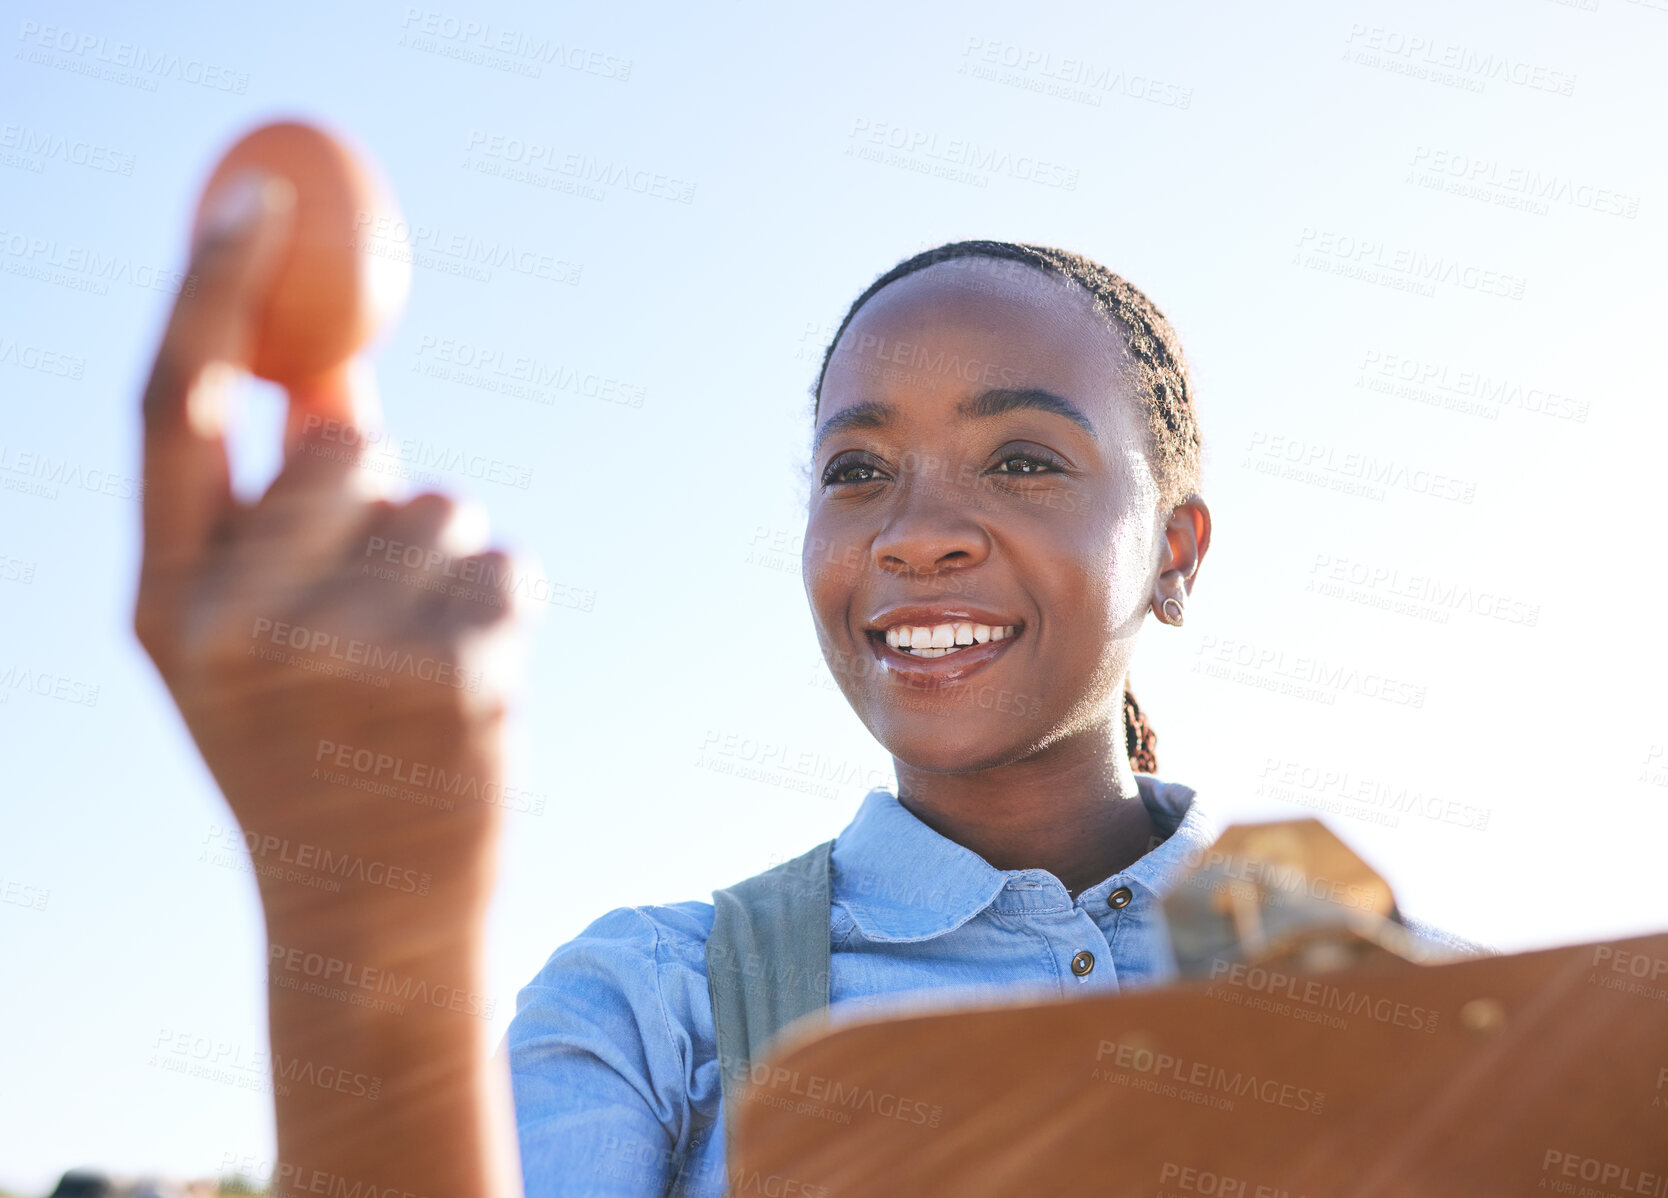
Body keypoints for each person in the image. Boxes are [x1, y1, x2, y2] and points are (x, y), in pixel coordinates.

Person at [135, 182, 1474, 1198]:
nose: (916, 529)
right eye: (857, 468)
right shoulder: (655, 1004)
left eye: (1020, 459)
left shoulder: (1432, 998)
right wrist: (374, 936)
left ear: (1173, 556)